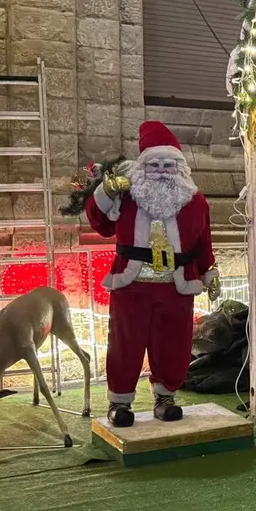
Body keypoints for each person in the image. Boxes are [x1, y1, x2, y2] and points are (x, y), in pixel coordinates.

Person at [86, 121, 221, 427]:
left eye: (168, 165)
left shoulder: (195, 201)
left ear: (180, 168)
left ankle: (165, 397)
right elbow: (100, 224)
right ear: (142, 166)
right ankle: (120, 402)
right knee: (125, 344)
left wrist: (210, 272)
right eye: (154, 165)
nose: (161, 171)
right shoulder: (126, 196)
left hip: (177, 286)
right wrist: (105, 192)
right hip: (131, 285)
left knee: (173, 343)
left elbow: (204, 242)